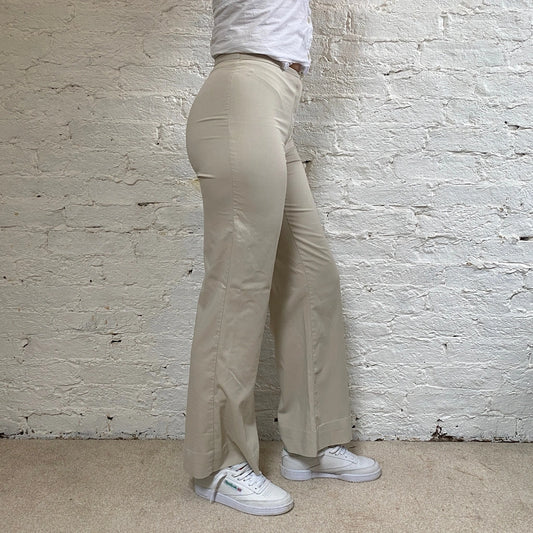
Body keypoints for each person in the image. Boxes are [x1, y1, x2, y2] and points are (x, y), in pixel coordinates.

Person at [183, 0, 381, 516]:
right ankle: (217, 465)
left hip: (277, 103)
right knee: (237, 287)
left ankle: (312, 444)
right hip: (243, 95)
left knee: (311, 278)